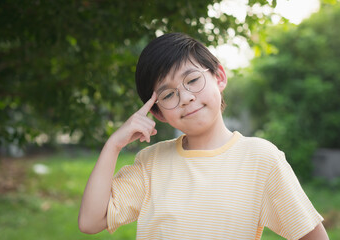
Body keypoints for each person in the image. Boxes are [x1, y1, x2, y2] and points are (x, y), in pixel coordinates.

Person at [78, 33, 328, 239]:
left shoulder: (260, 159)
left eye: (193, 80)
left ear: (218, 77)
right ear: (159, 113)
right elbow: (90, 221)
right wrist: (113, 145)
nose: (186, 97)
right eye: (168, 95)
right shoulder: (150, 162)